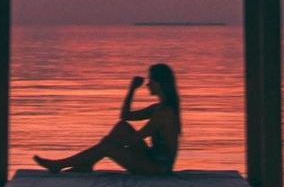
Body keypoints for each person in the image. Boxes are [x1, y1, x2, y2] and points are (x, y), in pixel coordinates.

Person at [33, 63, 181, 175]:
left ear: (160, 83)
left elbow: (134, 139)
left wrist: (108, 144)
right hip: (151, 158)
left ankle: (60, 165)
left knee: (107, 146)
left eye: (151, 81)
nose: (147, 84)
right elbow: (125, 116)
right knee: (121, 126)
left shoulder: (164, 113)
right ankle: (86, 163)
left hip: (159, 169)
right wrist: (131, 90)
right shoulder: (158, 108)